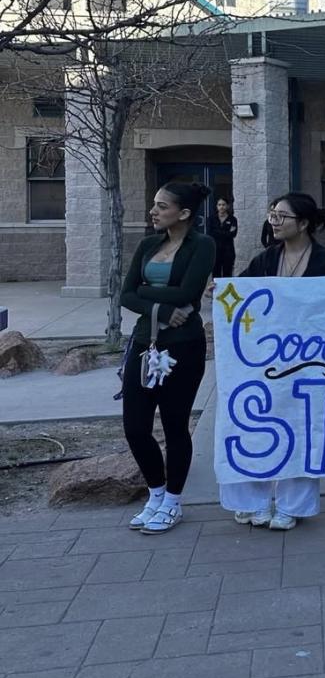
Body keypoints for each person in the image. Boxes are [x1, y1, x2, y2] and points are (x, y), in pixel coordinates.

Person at [221, 193, 325, 531]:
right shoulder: (266, 259)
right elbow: (241, 291)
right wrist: (221, 292)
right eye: (272, 214)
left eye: (281, 216)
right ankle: (253, 501)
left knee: (300, 431)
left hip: (308, 365)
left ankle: (292, 505)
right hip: (265, 363)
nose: (273, 221)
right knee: (257, 431)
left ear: (303, 223)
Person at [121, 182, 217, 533]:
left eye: (162, 206)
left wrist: (147, 294)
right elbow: (126, 294)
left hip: (183, 344)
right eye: (155, 204)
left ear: (184, 213)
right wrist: (160, 308)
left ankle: (173, 501)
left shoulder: (203, 245)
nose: (154, 211)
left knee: (175, 425)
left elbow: (189, 292)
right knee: (135, 427)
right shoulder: (148, 245)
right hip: (144, 343)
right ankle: (156, 494)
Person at [208, 196, 238, 278]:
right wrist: (226, 233)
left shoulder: (232, 219)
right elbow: (210, 233)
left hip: (228, 251)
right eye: (219, 205)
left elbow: (233, 234)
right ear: (217, 206)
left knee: (227, 274)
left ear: (227, 206)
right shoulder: (212, 219)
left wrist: (217, 232)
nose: (221, 207)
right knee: (215, 274)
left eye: (223, 204)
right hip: (215, 250)